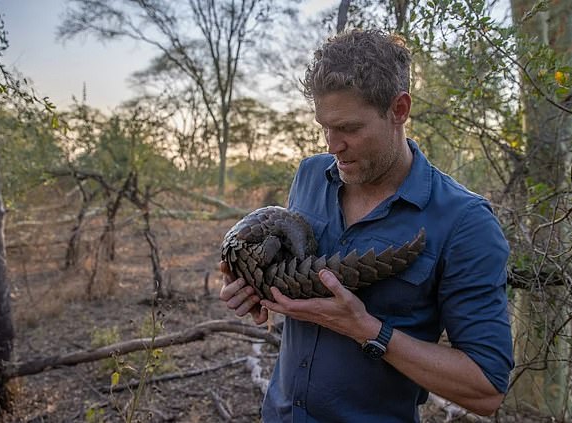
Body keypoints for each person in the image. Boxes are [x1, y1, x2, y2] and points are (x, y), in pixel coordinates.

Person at [220, 28, 513, 422]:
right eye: (324, 126)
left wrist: (367, 330)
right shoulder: (310, 175)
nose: (331, 145)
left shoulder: (464, 222)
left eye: (350, 129)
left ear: (399, 110)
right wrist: (254, 286)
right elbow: (292, 281)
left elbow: (486, 388)